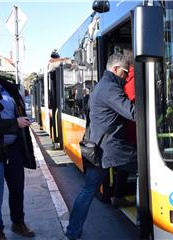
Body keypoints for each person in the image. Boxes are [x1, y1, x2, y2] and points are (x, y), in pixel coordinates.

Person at [65, 52, 136, 240]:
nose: (127, 75)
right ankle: (147, 221)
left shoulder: (102, 85)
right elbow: (133, 113)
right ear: (115, 69)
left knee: (88, 191)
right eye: (125, 72)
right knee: (148, 167)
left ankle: (72, 232)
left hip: (99, 148)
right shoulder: (110, 88)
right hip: (109, 149)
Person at [0, 56, 32, 240]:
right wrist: (15, 123)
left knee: (17, 188)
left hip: (13, 146)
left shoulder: (6, 86)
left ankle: (18, 223)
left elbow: (17, 107)